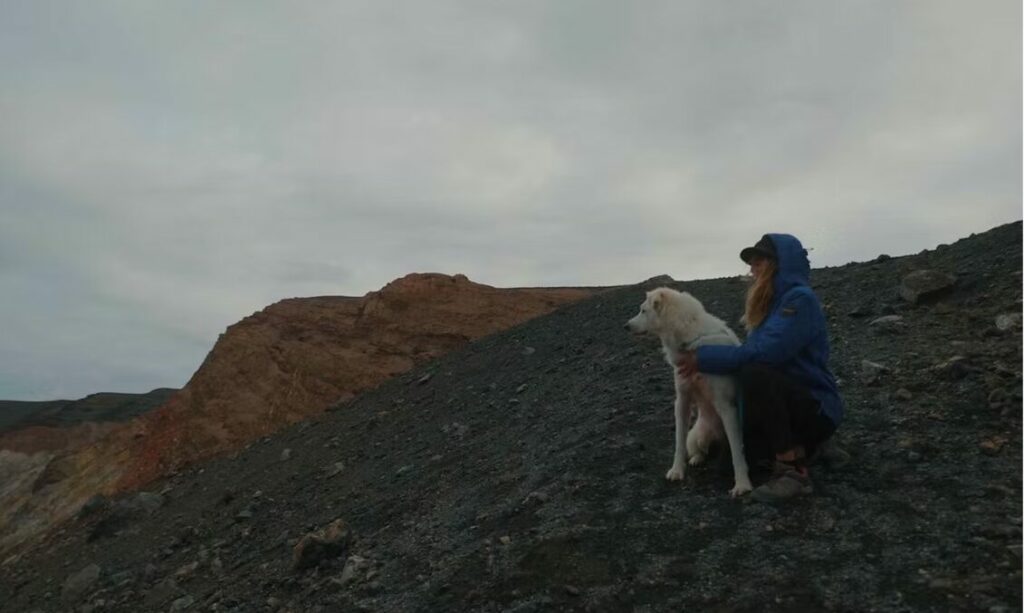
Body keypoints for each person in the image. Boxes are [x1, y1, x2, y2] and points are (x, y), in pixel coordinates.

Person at [676, 233, 843, 503]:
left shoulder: (799, 300)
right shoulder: (770, 304)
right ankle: (808, 447)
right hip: (782, 404)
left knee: (755, 371)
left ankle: (793, 470)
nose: (752, 269)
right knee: (726, 469)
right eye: (751, 264)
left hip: (814, 406)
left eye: (758, 262)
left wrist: (703, 358)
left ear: (779, 264)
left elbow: (765, 353)